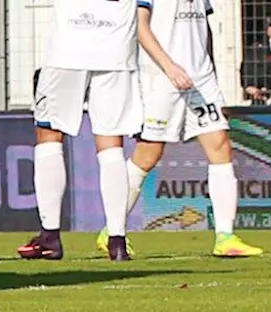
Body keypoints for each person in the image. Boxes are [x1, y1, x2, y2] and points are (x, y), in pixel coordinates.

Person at [18, 0, 190, 262]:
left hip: (70, 45)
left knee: (49, 133)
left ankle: (50, 236)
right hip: (117, 47)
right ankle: (117, 240)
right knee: (111, 143)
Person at [117, 0, 263, 257]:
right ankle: (112, 227)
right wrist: (169, 66)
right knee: (148, 154)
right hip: (161, 78)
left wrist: (213, 80)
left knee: (220, 146)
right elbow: (139, 27)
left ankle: (225, 236)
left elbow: (203, 32)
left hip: (201, 80)